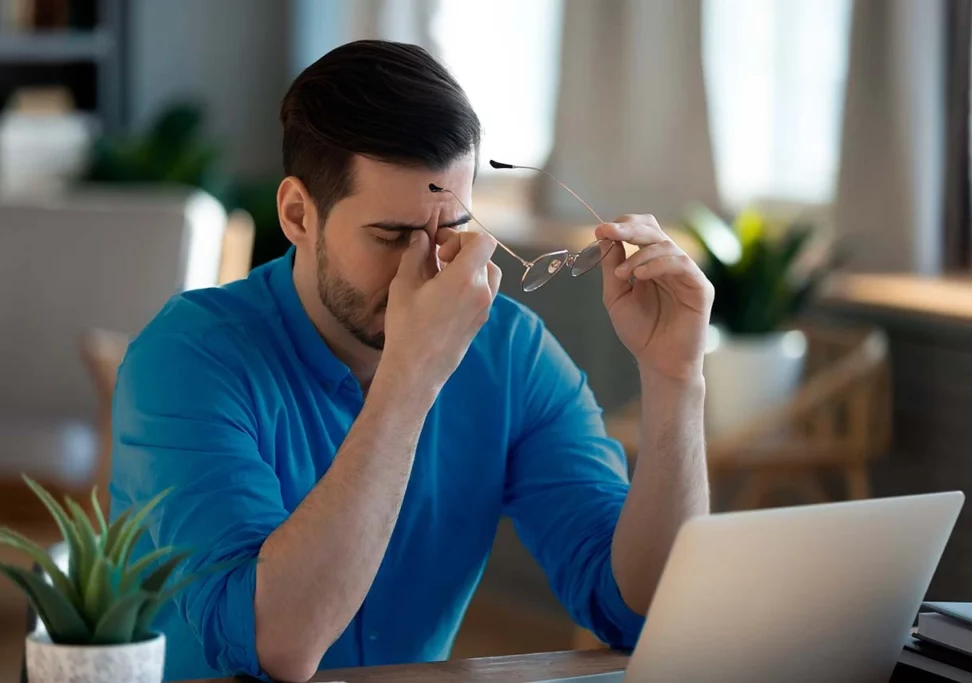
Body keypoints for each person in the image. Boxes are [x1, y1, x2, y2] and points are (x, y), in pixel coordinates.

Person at [110, 39, 712, 683]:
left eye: (449, 230)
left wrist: (675, 378)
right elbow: (277, 645)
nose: (424, 269)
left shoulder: (509, 351)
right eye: (391, 236)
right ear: (296, 214)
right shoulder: (186, 358)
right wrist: (411, 374)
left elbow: (642, 608)